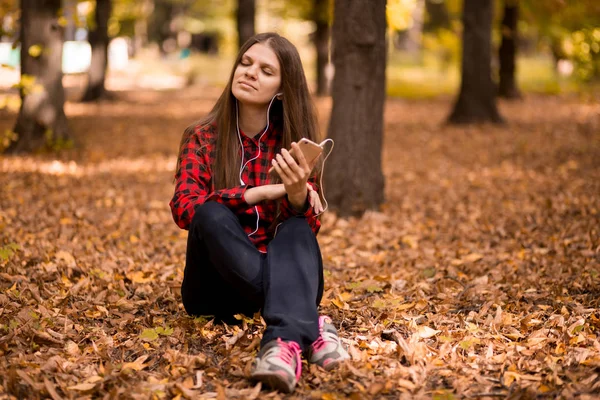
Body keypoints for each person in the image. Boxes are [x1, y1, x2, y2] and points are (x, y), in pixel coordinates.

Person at [169, 32, 349, 393]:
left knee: (297, 226)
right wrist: (256, 193)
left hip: (271, 282)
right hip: (212, 291)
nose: (250, 73)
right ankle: (310, 324)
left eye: (266, 70)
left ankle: (280, 346)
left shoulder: (294, 145)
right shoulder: (202, 136)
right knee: (210, 213)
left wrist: (297, 195)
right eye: (246, 63)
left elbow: (308, 232)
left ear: (282, 89)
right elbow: (185, 209)